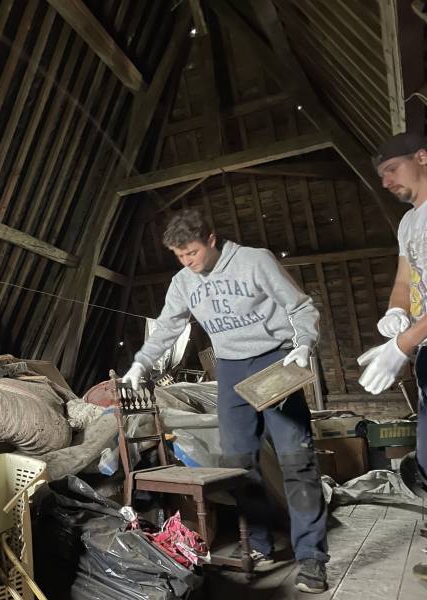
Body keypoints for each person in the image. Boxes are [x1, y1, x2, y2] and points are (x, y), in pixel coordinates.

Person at [123, 209, 329, 593]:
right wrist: (140, 363)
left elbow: (300, 306)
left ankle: (312, 559)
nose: (189, 262)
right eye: (180, 256)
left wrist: (302, 344)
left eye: (194, 253)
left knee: (296, 459)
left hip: (274, 361)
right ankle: (263, 546)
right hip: (231, 368)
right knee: (238, 463)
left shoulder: (255, 261)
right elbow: (167, 326)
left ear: (212, 239)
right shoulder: (183, 281)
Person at [357, 131, 427, 582]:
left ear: (422, 157)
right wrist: (396, 312)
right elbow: (405, 277)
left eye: (391, 170)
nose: (384, 182)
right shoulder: (409, 223)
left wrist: (401, 346)